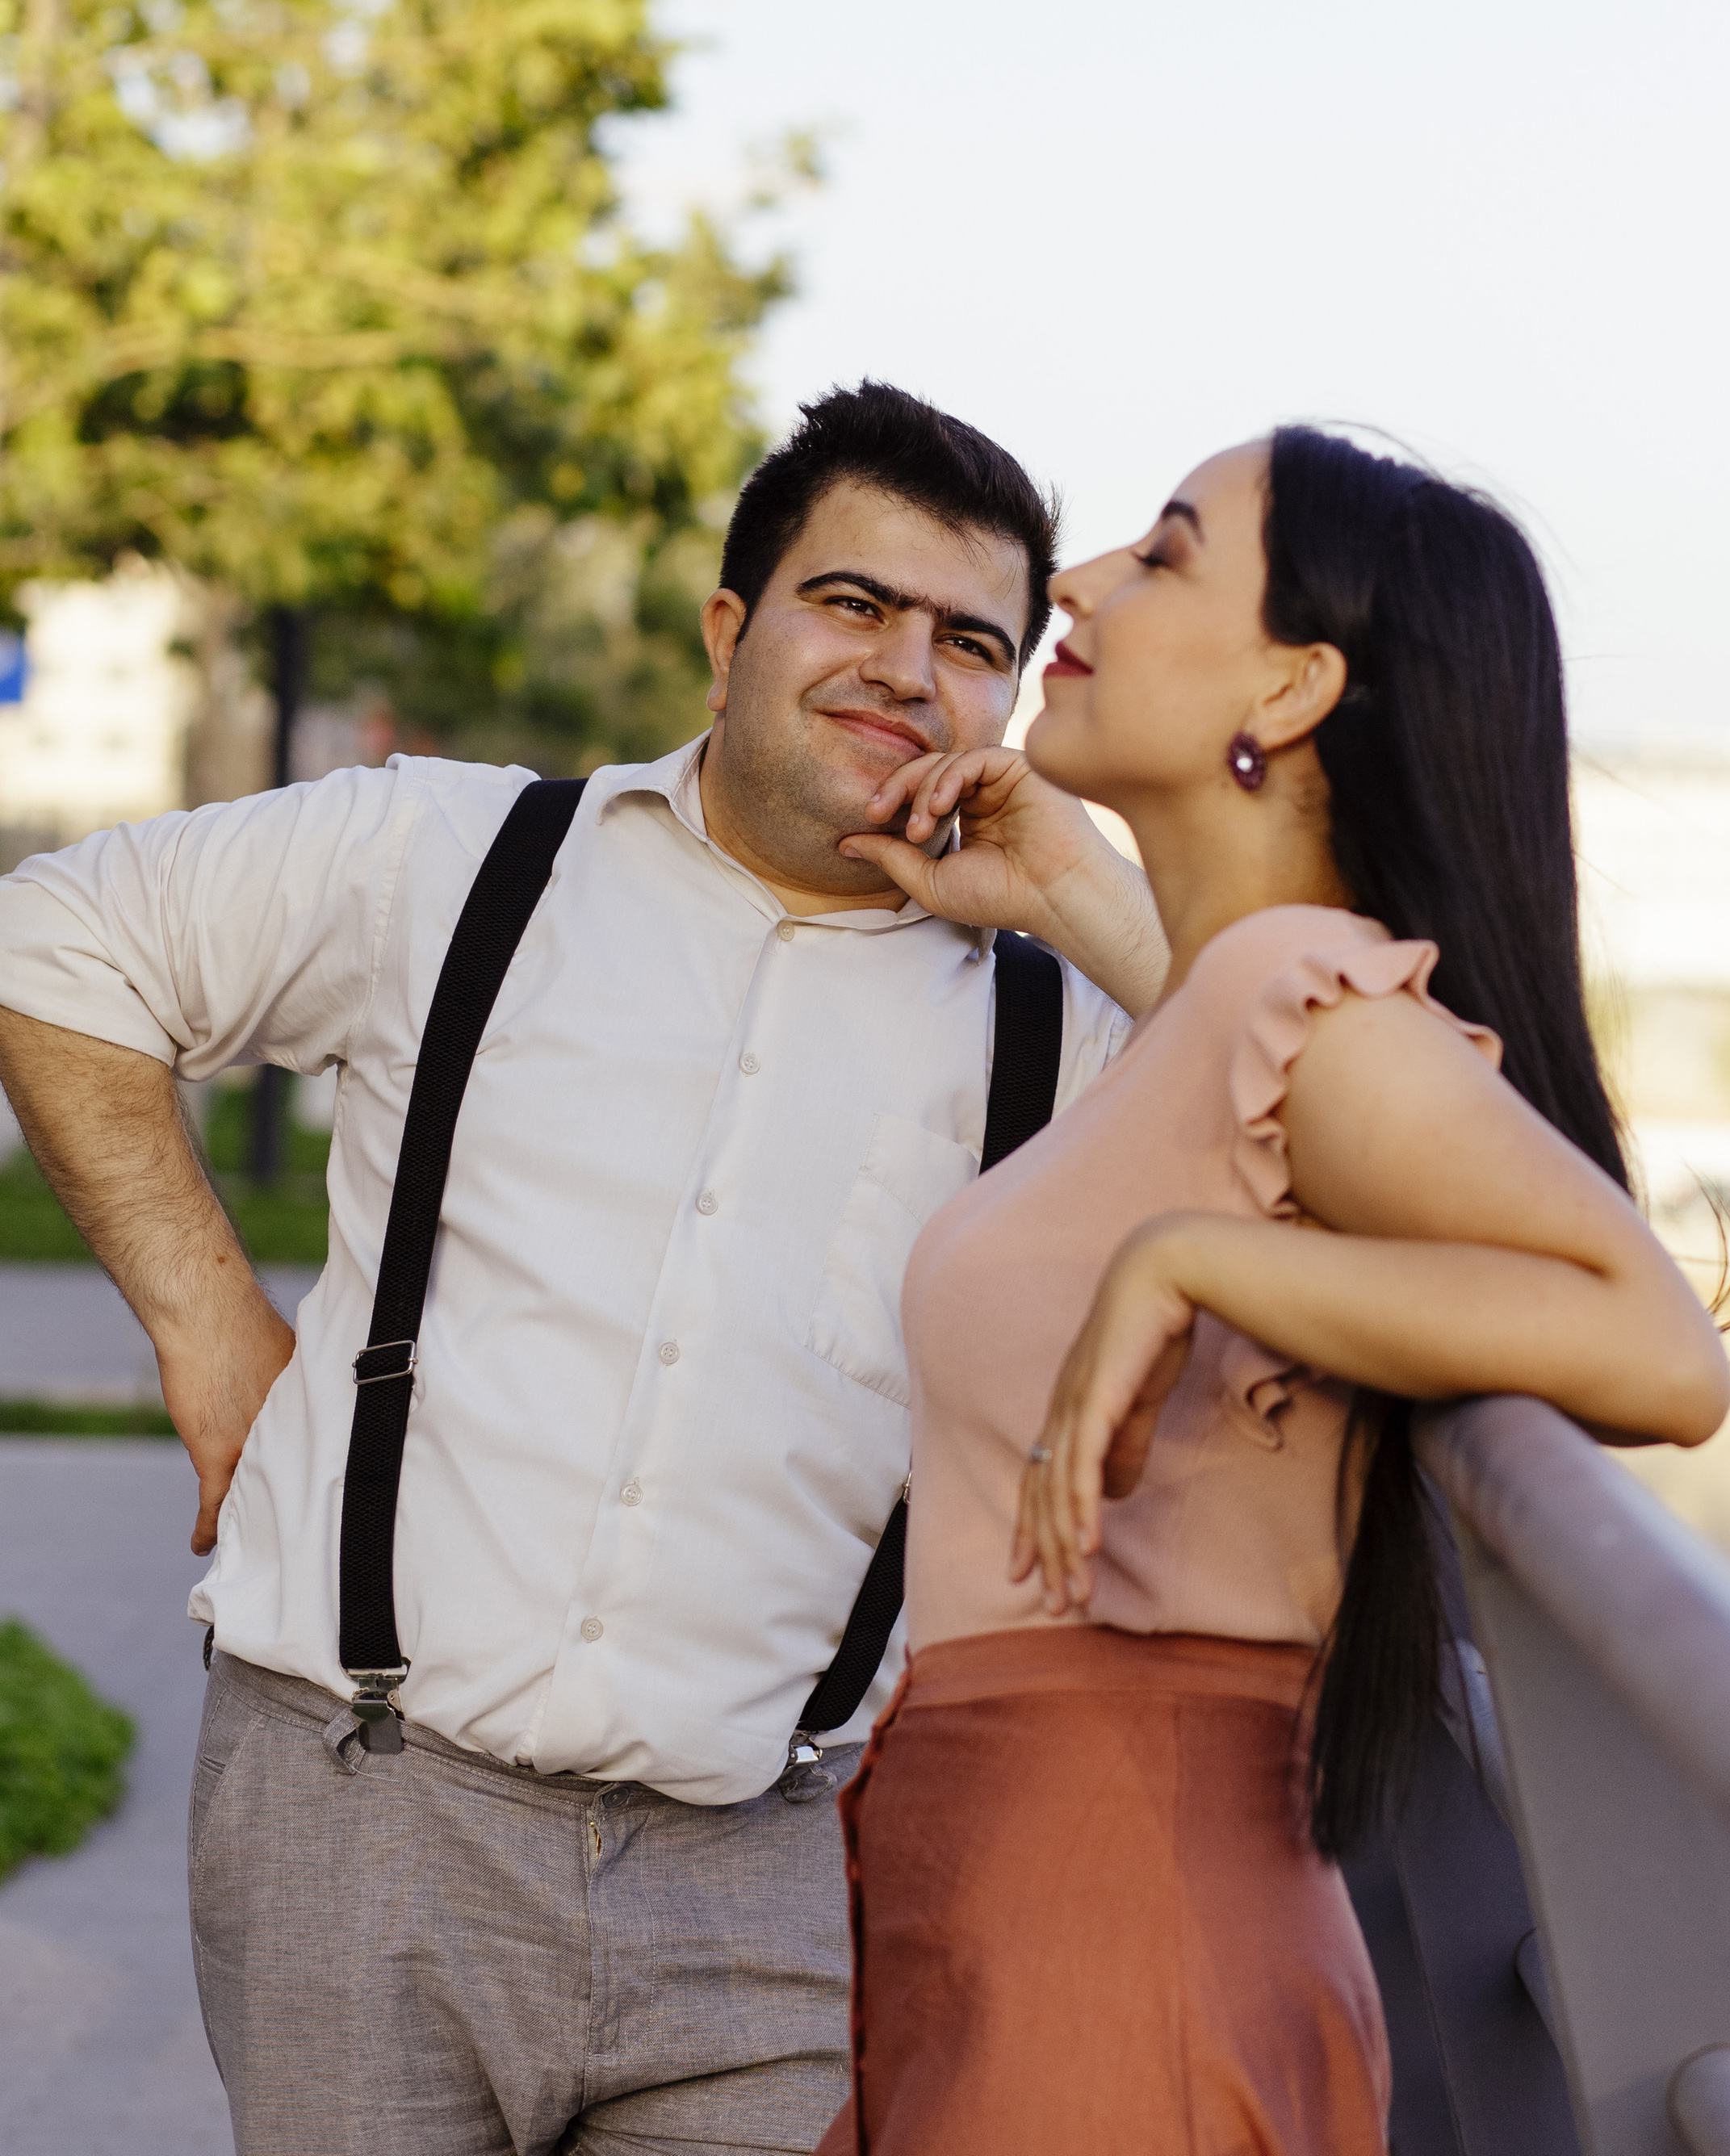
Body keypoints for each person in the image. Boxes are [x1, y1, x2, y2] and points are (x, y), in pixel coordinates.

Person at [0, 382, 1167, 2156]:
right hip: (359, 1815)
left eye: (968, 642)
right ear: (731, 631)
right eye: (849, 604)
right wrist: (206, 1323)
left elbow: (1336, 1154)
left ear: (1005, 697)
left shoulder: (1065, 1025)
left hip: (770, 1883)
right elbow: (52, 946)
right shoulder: (448, 857)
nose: (904, 668)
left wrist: (1089, 901)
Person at [815, 427, 1730, 2156]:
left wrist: (1193, 1262)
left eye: (1159, 556)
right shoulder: (1221, 1004)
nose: (1073, 587)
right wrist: (1071, 898)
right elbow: (1225, 1106)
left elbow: (1656, 1353)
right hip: (1026, 1894)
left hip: (1110, 1921)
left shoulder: (1302, 998)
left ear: (1297, 684)